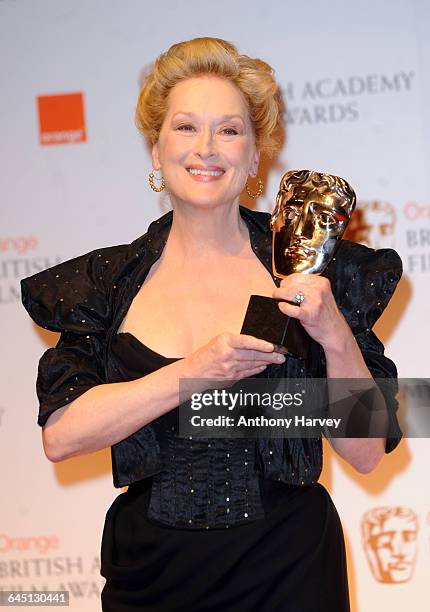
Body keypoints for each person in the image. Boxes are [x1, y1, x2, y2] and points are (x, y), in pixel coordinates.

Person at [21, 37, 403, 611]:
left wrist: (333, 332)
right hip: (150, 576)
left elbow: (368, 452)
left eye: (229, 131)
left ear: (254, 158)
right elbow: (61, 437)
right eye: (185, 128)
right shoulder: (106, 284)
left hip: (288, 572)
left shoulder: (309, 270)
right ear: (156, 151)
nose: (206, 148)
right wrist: (195, 372)